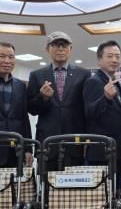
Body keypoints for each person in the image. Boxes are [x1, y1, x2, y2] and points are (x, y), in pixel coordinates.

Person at [27, 32, 89, 169]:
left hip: (75, 142)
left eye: (64, 45)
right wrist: (42, 97)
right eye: (55, 45)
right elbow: (31, 109)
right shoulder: (37, 75)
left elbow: (87, 110)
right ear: (47, 49)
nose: (60, 49)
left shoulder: (83, 74)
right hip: (47, 142)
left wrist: (87, 140)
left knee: (75, 182)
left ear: (70, 49)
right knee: (46, 181)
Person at [82, 40, 121, 189]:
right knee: (103, 194)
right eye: (110, 56)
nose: (114, 60)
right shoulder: (93, 81)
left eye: (117, 56)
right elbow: (89, 113)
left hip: (117, 150)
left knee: (115, 191)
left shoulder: (115, 83)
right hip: (101, 151)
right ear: (99, 59)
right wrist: (106, 98)